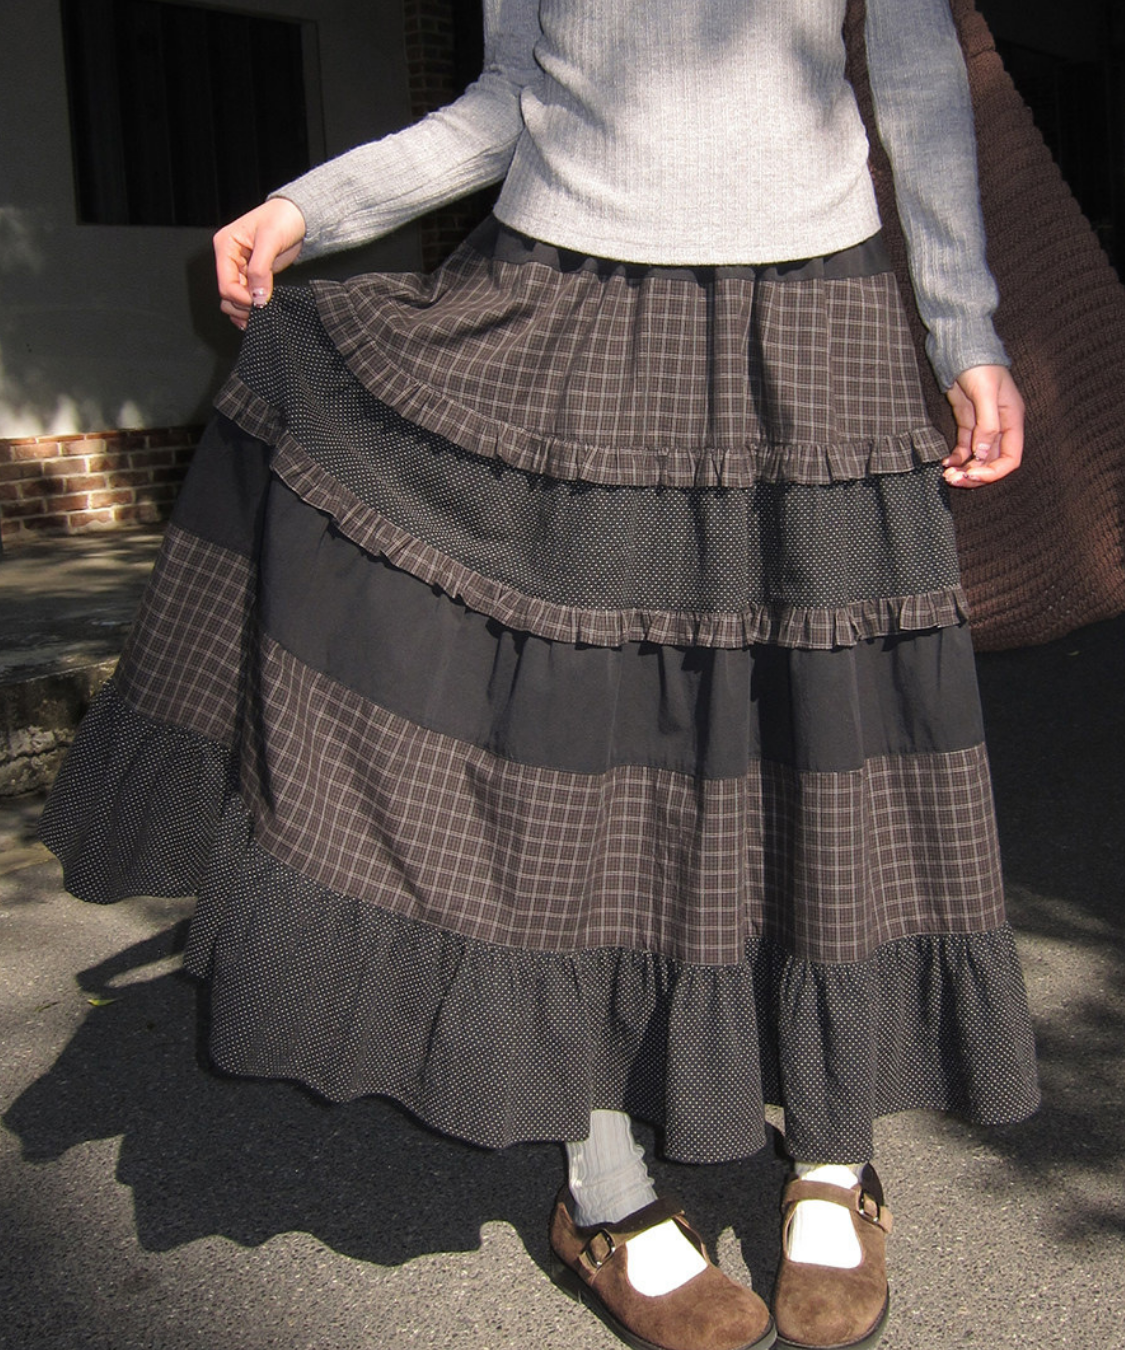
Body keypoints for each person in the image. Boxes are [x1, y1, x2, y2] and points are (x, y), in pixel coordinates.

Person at [42, 2, 1038, 1348]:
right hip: (570, 317)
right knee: (575, 763)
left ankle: (833, 1150)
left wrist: (965, 328)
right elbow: (508, 95)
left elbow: (915, 84)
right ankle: (606, 1186)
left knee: (822, 738)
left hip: (821, 323)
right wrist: (310, 207)